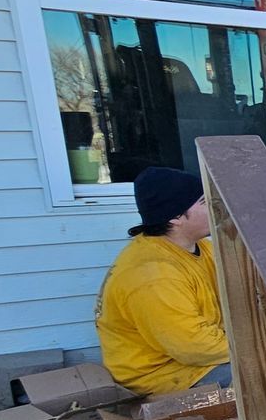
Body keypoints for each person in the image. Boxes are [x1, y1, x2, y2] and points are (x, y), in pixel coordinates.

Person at [95, 167, 232, 396]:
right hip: (163, 375)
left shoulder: (201, 248)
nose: (215, 206)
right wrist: (262, 347)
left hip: (193, 358)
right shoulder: (153, 275)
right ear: (175, 217)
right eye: (203, 201)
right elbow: (193, 347)